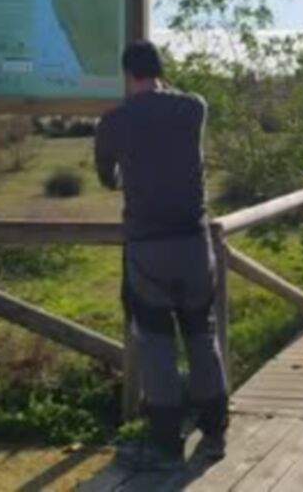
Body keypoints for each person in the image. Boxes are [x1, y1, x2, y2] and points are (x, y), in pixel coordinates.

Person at [95, 40, 228, 471]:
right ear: (159, 69)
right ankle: (214, 431)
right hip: (194, 242)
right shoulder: (194, 108)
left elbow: (107, 177)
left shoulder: (113, 121)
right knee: (201, 334)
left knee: (156, 344)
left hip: (148, 246)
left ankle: (166, 441)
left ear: (126, 74)